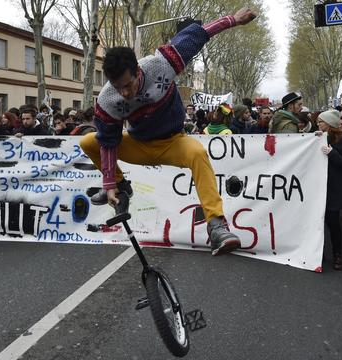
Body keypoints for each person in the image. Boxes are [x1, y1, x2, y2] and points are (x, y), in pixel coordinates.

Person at [80, 7, 256, 256]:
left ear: (138, 70)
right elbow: (108, 143)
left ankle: (217, 225)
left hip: (173, 142)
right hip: (140, 145)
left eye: (128, 85)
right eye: (119, 88)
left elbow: (198, 36)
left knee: (196, 152)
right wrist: (110, 185)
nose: (126, 94)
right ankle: (123, 188)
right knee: (89, 141)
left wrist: (233, 21)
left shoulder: (160, 64)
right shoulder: (108, 100)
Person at [316, 111, 342, 270]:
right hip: (319, 188)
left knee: (333, 222)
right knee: (319, 222)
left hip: (335, 189)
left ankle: (337, 254)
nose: (318, 124)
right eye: (318, 122)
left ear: (330, 124)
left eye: (321, 122)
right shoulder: (320, 138)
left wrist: (333, 153)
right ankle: (318, 253)